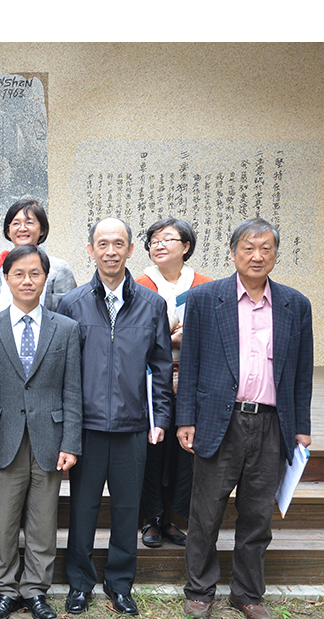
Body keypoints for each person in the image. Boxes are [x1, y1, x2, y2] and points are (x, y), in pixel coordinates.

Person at [178, 218, 313, 619]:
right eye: (248, 248)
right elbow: (191, 363)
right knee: (205, 512)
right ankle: (200, 591)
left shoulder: (295, 304)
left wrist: (301, 426)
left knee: (257, 515)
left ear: (275, 254)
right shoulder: (204, 299)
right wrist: (187, 419)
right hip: (220, 420)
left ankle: (247, 594)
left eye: (266, 248)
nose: (257, 256)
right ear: (233, 252)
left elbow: (302, 371)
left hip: (272, 424)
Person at [56, 217, 173, 616]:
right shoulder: (71, 303)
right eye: (102, 244)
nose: (110, 251)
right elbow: (64, 371)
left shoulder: (152, 305)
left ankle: (120, 583)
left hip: (132, 426)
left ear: (129, 250)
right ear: (90, 250)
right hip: (86, 427)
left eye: (118, 243)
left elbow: (160, 367)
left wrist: (161, 420)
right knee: (83, 509)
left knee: (126, 509)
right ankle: (80, 583)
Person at [0, 244, 83, 619]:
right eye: (18, 273)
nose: (27, 280)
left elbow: (72, 390)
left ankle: (36, 590)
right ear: (6, 278)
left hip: (49, 441)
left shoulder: (66, 329)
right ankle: (5, 590)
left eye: (35, 273)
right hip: (3, 439)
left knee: (42, 521)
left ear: (46, 278)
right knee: (3, 521)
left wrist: (71, 442)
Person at [134, 218, 214, 548]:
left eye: (168, 239)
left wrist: (187, 336)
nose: (159, 244)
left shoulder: (206, 286)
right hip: (150, 382)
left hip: (191, 382)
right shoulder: (138, 284)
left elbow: (216, 335)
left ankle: (170, 519)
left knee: (182, 453)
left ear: (187, 246)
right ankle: (149, 520)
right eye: (153, 240)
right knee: (152, 450)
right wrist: (171, 338)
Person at [0, 199, 76, 321]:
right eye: (16, 224)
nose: (22, 228)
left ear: (42, 230)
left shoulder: (59, 269)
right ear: (8, 231)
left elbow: (65, 314)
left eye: (29, 223)